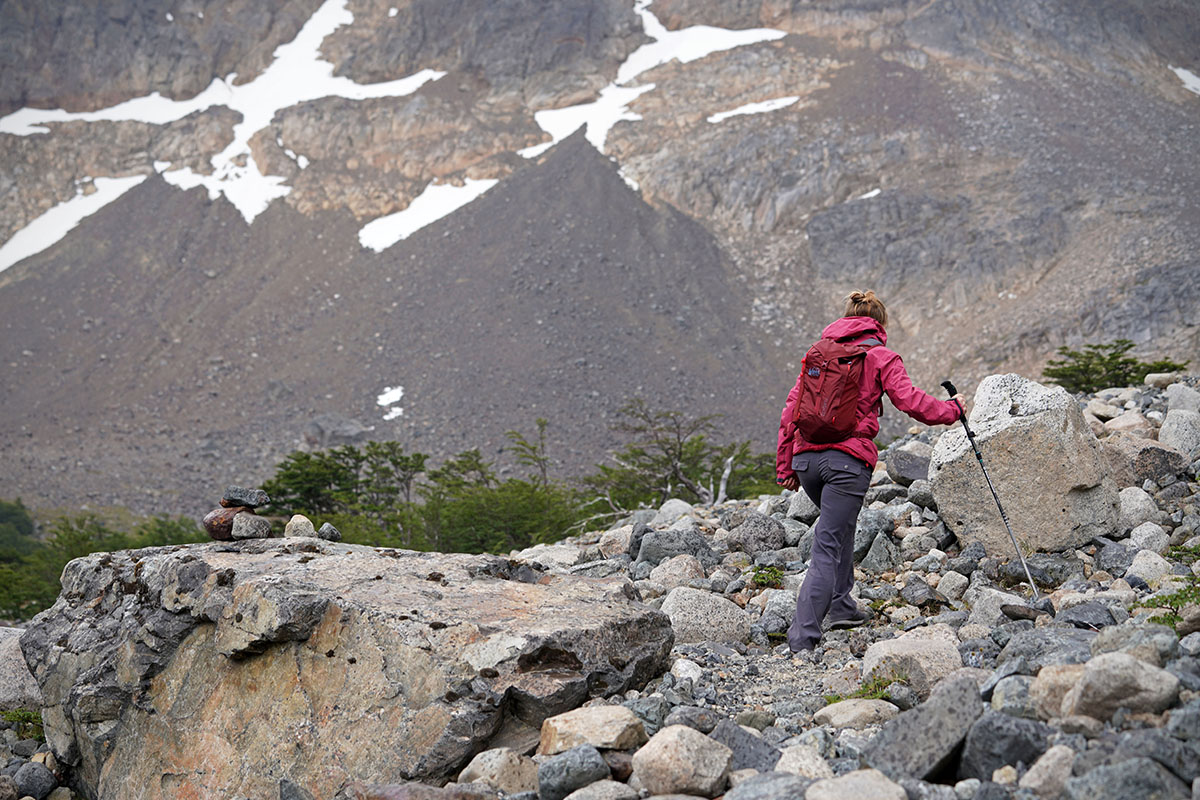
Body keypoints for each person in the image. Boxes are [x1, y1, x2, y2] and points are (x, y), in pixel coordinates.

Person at [776, 290, 966, 656]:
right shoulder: (880, 356)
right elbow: (911, 402)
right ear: (879, 325)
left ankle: (843, 606)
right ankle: (802, 641)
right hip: (847, 464)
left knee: (840, 528)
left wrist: (786, 465)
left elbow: (790, 413)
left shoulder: (817, 355)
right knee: (827, 548)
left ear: (846, 318)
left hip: (807, 462)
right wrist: (953, 411)